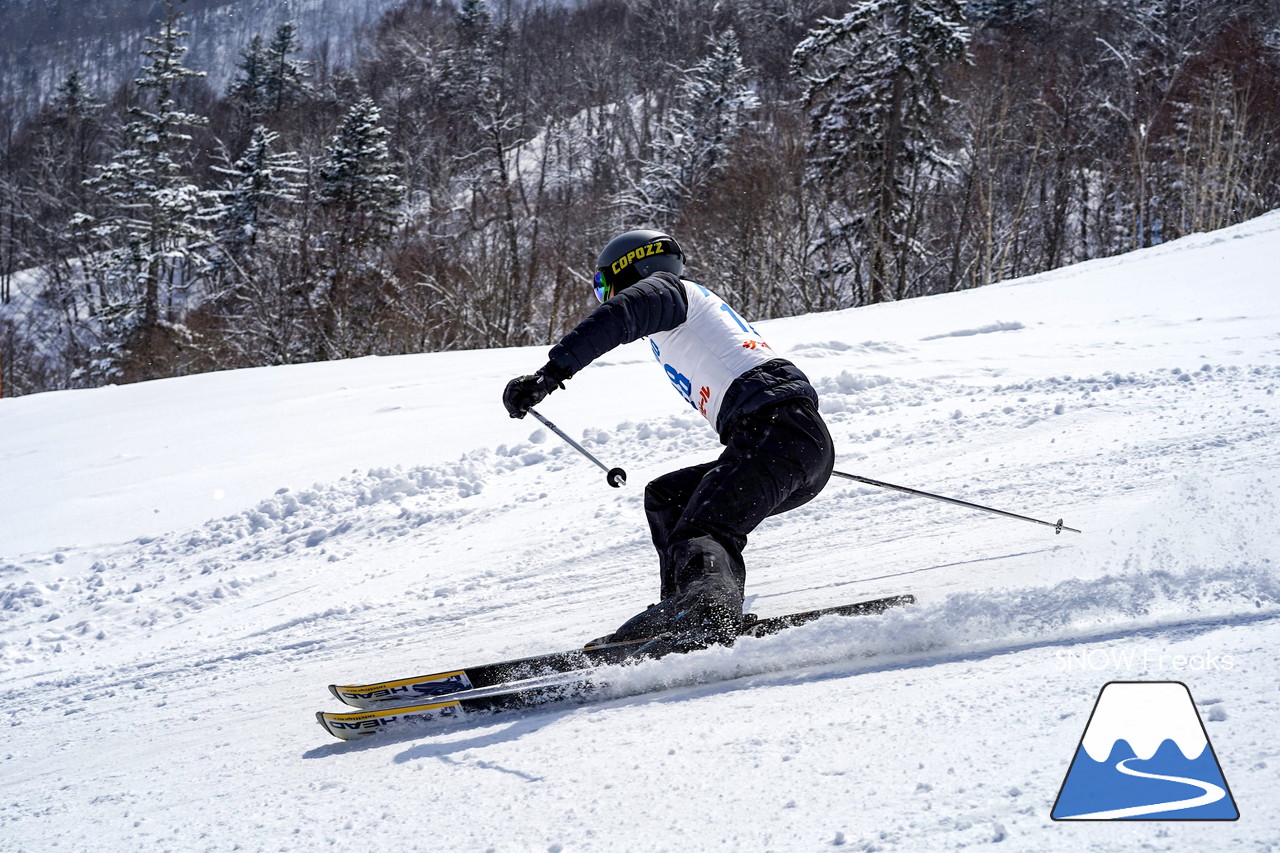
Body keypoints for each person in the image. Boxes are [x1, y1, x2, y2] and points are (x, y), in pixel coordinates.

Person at [503, 229, 834, 653]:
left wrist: (549, 376)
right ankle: (681, 605)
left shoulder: (669, 292)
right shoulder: (686, 322)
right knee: (669, 497)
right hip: (786, 440)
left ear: (633, 269)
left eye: (605, 286)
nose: (605, 297)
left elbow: (620, 315)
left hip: (779, 431)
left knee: (704, 527)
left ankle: (704, 612)